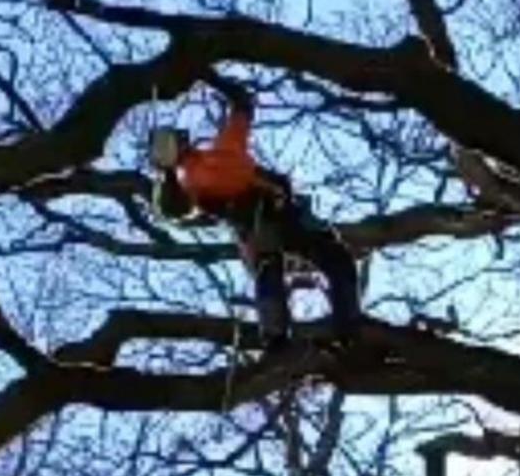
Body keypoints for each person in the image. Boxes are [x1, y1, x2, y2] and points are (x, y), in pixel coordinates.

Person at [149, 80, 361, 354]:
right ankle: (288, 337)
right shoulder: (191, 178)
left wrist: (215, 80)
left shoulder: (220, 152)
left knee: (328, 257)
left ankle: (340, 330)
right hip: (257, 218)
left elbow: (242, 109)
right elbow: (173, 208)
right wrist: (167, 174)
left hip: (280, 211)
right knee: (274, 266)